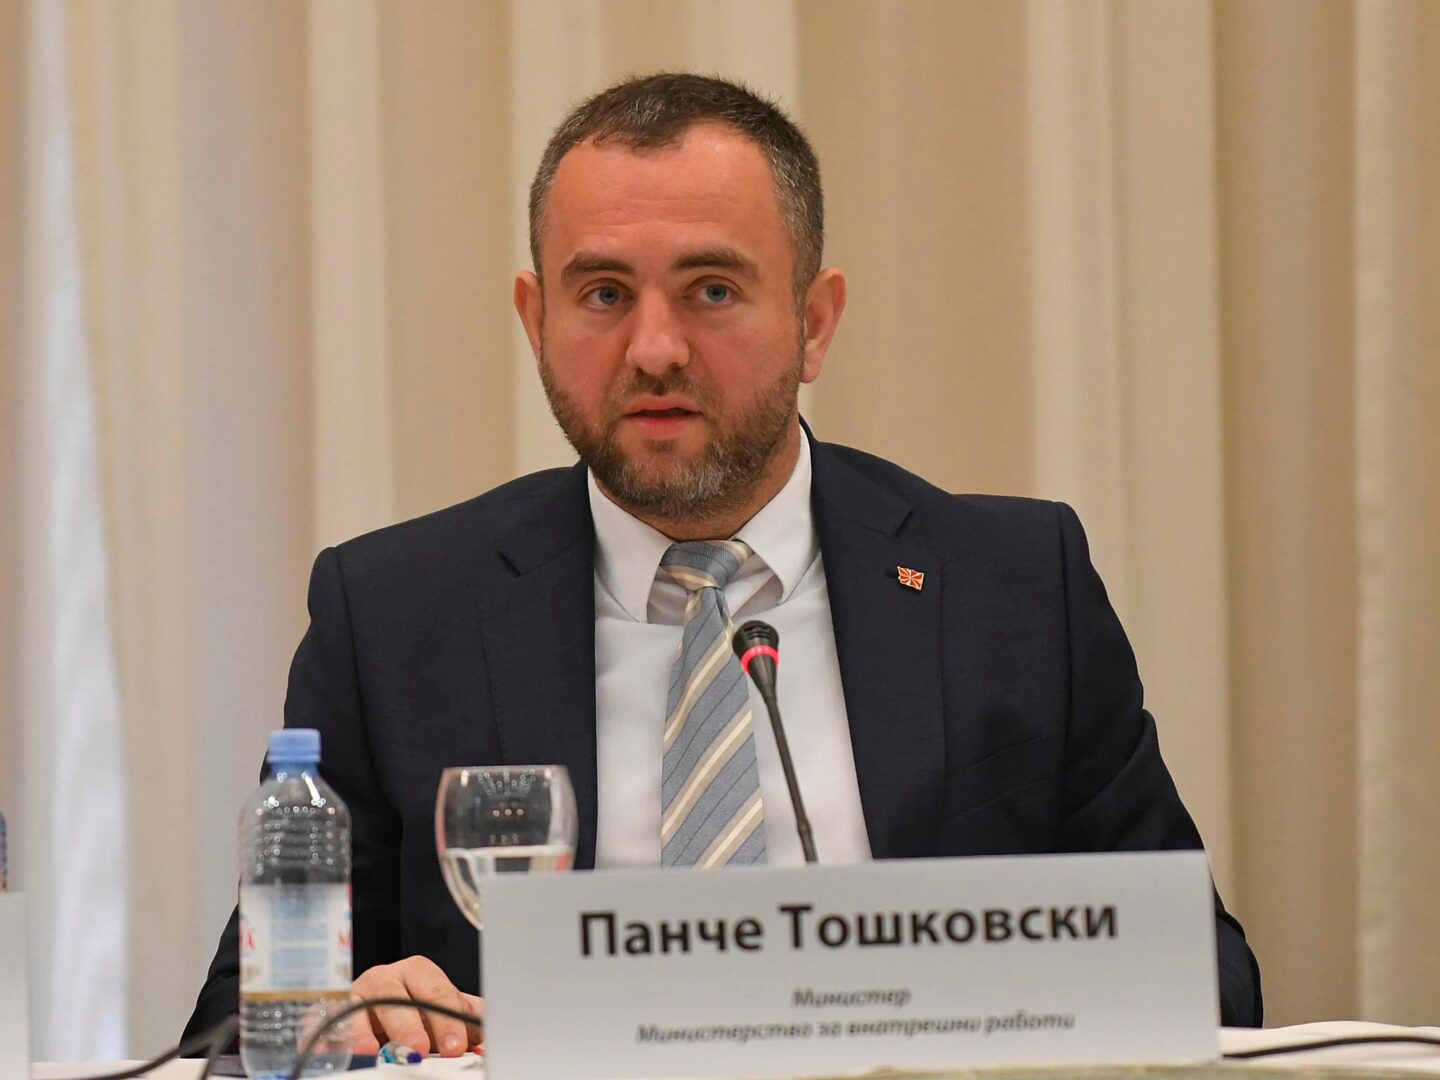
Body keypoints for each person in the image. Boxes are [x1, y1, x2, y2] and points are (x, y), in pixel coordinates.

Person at [184, 72, 1261, 1056]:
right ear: (536, 319)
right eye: (604, 295)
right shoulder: (395, 617)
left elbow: (1209, 984)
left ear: (814, 323)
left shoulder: (1014, 588)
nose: (655, 349)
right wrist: (344, 1018)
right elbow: (233, 1033)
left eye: (710, 291)